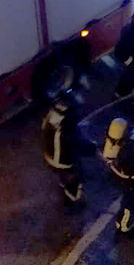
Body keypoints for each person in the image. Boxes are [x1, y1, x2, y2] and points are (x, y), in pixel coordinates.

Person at [41, 66, 86, 206]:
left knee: (63, 174)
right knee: (72, 177)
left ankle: (63, 182)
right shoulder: (69, 119)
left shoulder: (56, 107)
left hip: (49, 152)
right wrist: (90, 148)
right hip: (61, 158)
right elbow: (73, 141)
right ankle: (73, 199)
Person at [103, 116, 134, 236]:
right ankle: (124, 228)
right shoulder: (128, 151)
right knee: (130, 205)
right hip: (129, 183)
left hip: (124, 179)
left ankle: (124, 223)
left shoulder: (117, 145)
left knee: (130, 202)